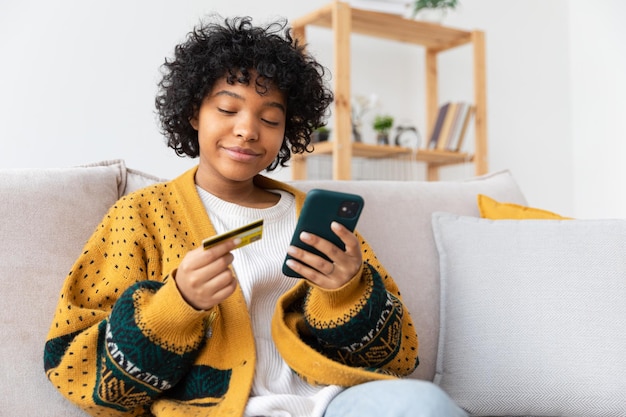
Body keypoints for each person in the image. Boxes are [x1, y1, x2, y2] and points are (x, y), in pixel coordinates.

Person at [44, 16, 467, 417]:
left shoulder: (311, 216)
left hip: (330, 404)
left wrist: (345, 293)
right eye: (228, 110)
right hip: (218, 409)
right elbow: (75, 370)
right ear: (194, 113)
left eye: (270, 118)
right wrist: (176, 306)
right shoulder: (141, 215)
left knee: (424, 403)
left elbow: (401, 356)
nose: (248, 130)